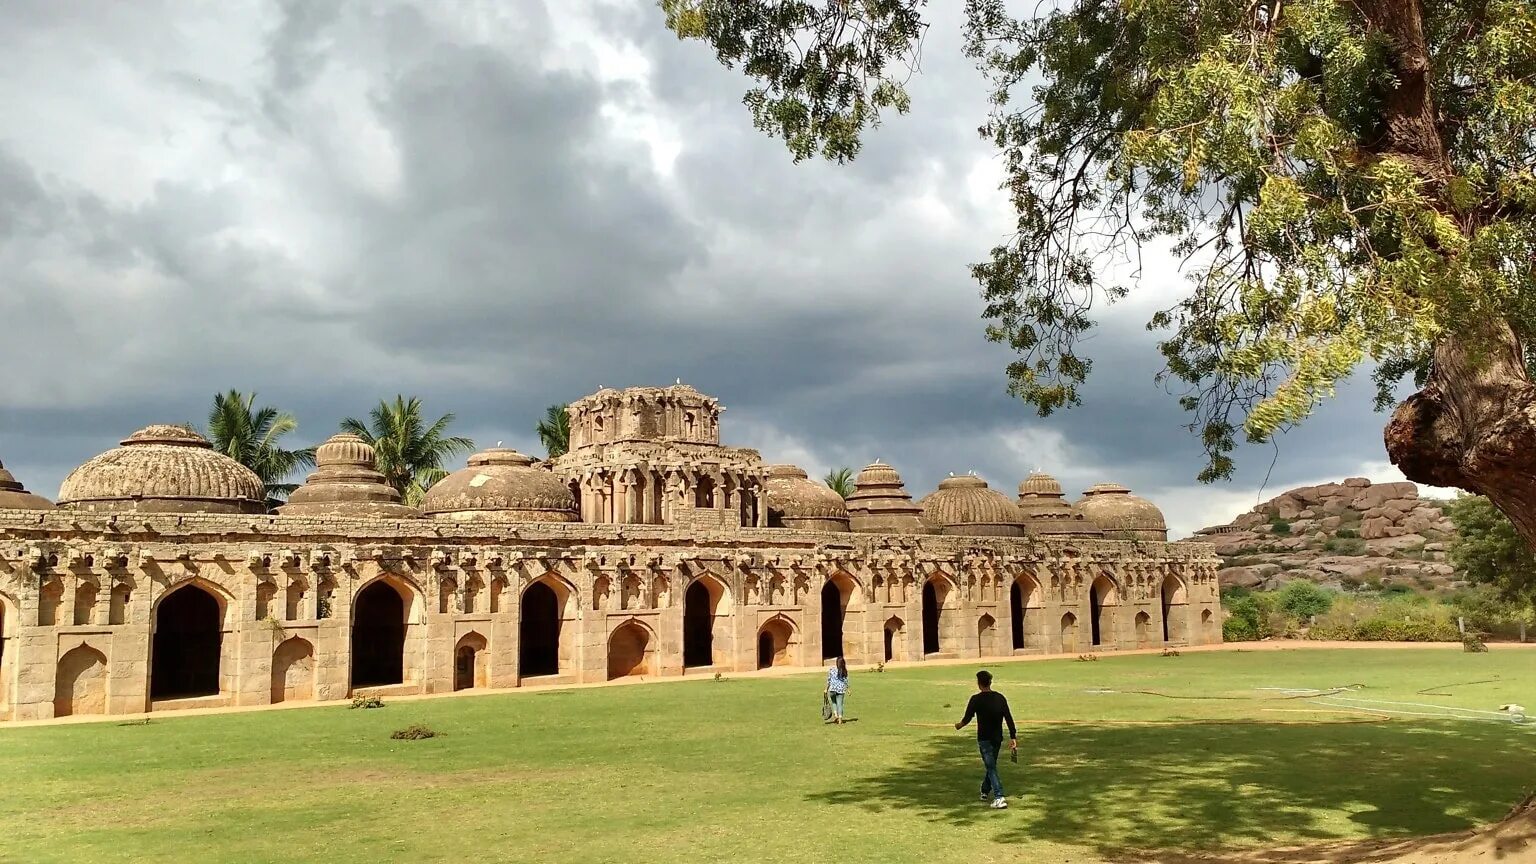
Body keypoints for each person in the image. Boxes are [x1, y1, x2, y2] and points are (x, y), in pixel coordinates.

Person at [954, 669, 1017, 809]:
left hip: (984, 739)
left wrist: (959, 726)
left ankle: (999, 796)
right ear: (990, 682)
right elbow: (1009, 718)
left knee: (991, 767)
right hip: (997, 738)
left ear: (979, 683)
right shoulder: (1000, 698)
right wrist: (1013, 736)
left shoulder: (976, 699)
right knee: (991, 765)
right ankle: (984, 790)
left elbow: (967, 718)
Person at [824, 656, 849, 724]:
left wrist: (826, 689)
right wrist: (848, 689)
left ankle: (835, 715)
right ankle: (840, 719)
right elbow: (846, 681)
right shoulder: (844, 671)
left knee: (834, 702)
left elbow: (829, 680)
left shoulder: (832, 669)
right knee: (840, 704)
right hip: (841, 689)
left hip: (832, 689)